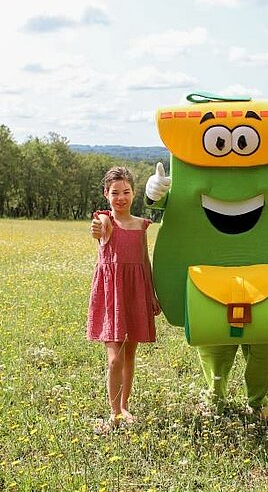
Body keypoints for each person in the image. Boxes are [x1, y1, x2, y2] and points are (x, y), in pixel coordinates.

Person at [87, 166, 160, 432]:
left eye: (126, 192)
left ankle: (124, 406)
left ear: (134, 193)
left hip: (136, 292)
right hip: (112, 296)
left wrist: (151, 294)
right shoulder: (106, 221)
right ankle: (114, 412)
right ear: (106, 195)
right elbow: (98, 228)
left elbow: (144, 260)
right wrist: (96, 229)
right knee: (114, 358)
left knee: (129, 354)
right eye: (115, 192)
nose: (121, 197)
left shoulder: (141, 226)